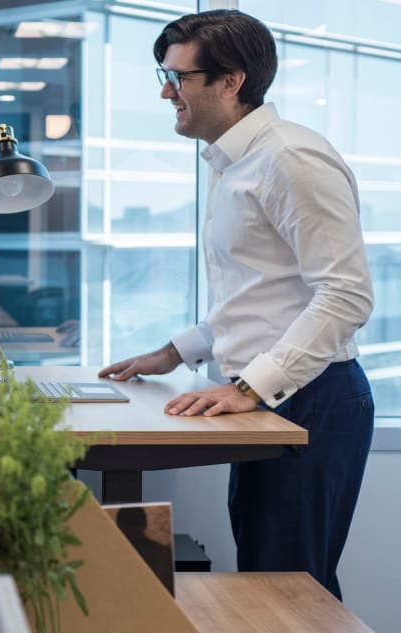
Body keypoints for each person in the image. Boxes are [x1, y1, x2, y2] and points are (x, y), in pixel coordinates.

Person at [98, 10, 374, 600]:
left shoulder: (291, 159)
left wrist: (250, 388)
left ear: (231, 81)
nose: (166, 92)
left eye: (179, 78)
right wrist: (173, 352)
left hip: (313, 396)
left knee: (290, 596)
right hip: (269, 393)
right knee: (266, 582)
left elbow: (346, 295)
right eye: (165, 75)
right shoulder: (233, 163)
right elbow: (258, 294)